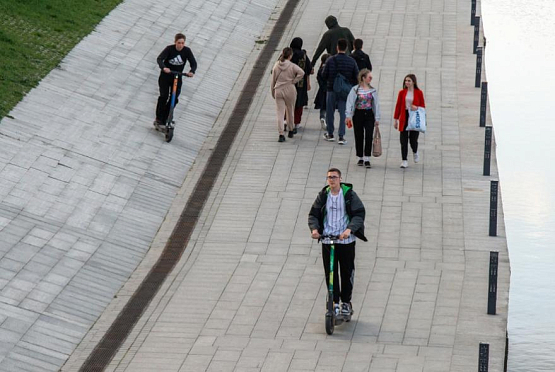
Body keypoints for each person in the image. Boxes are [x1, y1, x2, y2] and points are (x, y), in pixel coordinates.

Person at [308, 168, 367, 317]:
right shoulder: (323, 195)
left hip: (346, 241)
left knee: (346, 272)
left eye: (334, 177)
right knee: (330, 273)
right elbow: (313, 214)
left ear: (340, 179)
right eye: (329, 177)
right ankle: (334, 302)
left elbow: (359, 214)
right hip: (328, 239)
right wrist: (315, 229)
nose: (332, 180)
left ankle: (346, 302)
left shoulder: (349, 195)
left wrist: (349, 230)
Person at [154, 33, 197, 127]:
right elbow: (160, 59)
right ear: (175, 42)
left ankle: (166, 117)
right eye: (179, 43)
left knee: (174, 98)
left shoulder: (187, 51)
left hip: (177, 76)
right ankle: (159, 118)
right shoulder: (169, 49)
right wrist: (164, 68)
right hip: (166, 76)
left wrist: (192, 71)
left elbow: (193, 63)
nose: (180, 45)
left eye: (182, 43)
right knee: (164, 96)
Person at [322, 39, 359, 144]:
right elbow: (356, 76)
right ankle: (341, 136)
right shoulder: (351, 61)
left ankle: (330, 134)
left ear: (337, 47)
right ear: (346, 48)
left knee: (330, 111)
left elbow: (324, 75)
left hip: (331, 89)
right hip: (345, 91)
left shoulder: (330, 60)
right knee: (343, 112)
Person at [345, 69, 380, 168]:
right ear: (363, 78)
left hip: (369, 114)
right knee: (359, 135)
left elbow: (376, 104)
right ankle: (360, 156)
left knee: (369, 135)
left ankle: (367, 157)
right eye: (369, 77)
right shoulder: (355, 89)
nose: (370, 79)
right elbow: (350, 102)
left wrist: (377, 118)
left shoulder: (372, 90)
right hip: (358, 114)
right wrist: (348, 115)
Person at [271, 47, 305, 142]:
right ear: (290, 56)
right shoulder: (292, 66)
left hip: (278, 89)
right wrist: (294, 81)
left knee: (280, 113)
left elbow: (273, 80)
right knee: (290, 110)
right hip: (290, 88)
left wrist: (273, 91)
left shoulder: (276, 65)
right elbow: (301, 72)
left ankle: (281, 134)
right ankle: (291, 130)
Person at [393, 74, 426, 168]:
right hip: (404, 116)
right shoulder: (402, 92)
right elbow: (398, 106)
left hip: (414, 117)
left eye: (409, 81)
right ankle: (404, 160)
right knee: (403, 140)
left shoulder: (419, 92)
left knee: (413, 140)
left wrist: (417, 107)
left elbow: (423, 106)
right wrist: (395, 119)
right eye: (406, 81)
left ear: (413, 82)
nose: (407, 82)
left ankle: (415, 151)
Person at [290, 37, 312, 132]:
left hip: (288, 82)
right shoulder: (303, 55)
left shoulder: (288, 53)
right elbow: (309, 68)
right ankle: (296, 122)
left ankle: (286, 120)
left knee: (288, 103)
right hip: (300, 84)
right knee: (299, 103)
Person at [314, 54, 330, 130]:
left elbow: (319, 79)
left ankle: (322, 117)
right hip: (329, 90)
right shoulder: (330, 69)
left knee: (322, 107)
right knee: (328, 107)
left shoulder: (320, 70)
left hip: (321, 91)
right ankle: (327, 121)